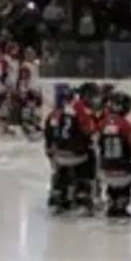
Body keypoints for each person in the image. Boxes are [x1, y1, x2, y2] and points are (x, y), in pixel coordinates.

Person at [44, 83, 101, 216]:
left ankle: (58, 193)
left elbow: (49, 138)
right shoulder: (81, 108)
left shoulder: (56, 113)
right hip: (77, 155)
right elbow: (90, 132)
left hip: (58, 156)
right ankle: (83, 194)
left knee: (62, 168)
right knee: (91, 154)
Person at [96, 90, 131, 223]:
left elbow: (97, 144)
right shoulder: (127, 126)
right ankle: (121, 204)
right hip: (123, 173)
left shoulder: (102, 124)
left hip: (106, 172)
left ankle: (112, 201)